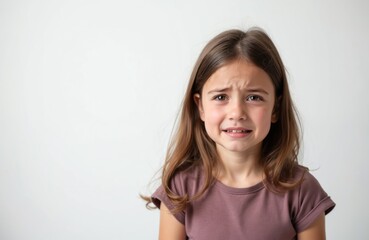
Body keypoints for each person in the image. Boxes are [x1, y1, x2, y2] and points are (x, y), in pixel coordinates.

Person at [143, 27, 335, 240]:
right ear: (200, 107)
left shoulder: (302, 190)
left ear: (276, 108)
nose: (237, 113)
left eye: (254, 97)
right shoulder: (180, 188)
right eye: (220, 97)